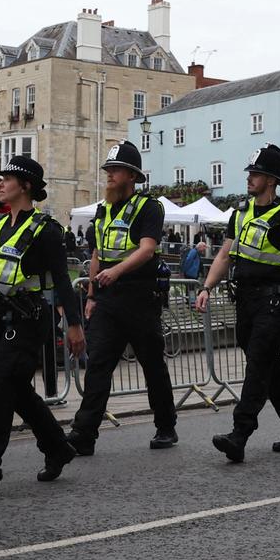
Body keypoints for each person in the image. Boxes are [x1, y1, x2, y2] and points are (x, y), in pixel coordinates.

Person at [0, 155, 83, 498]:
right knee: (18, 393)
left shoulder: (45, 230)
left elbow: (61, 279)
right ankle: (57, 446)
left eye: (7, 180)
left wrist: (74, 325)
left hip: (29, 322)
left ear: (25, 186)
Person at [198, 145, 280, 461]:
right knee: (268, 367)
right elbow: (224, 255)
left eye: (256, 173)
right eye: (251, 173)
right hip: (246, 301)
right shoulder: (240, 213)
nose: (250, 178)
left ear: (271, 179)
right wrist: (207, 287)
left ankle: (240, 434)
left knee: (257, 366)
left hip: (274, 301)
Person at [67, 140, 178, 454]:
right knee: (98, 364)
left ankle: (166, 426)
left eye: (115, 170)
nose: (109, 175)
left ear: (132, 175)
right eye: (108, 169)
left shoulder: (149, 207)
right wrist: (91, 295)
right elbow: (97, 254)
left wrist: (116, 273)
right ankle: (84, 434)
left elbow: (147, 249)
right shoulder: (102, 210)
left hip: (140, 297)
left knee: (152, 365)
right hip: (107, 299)